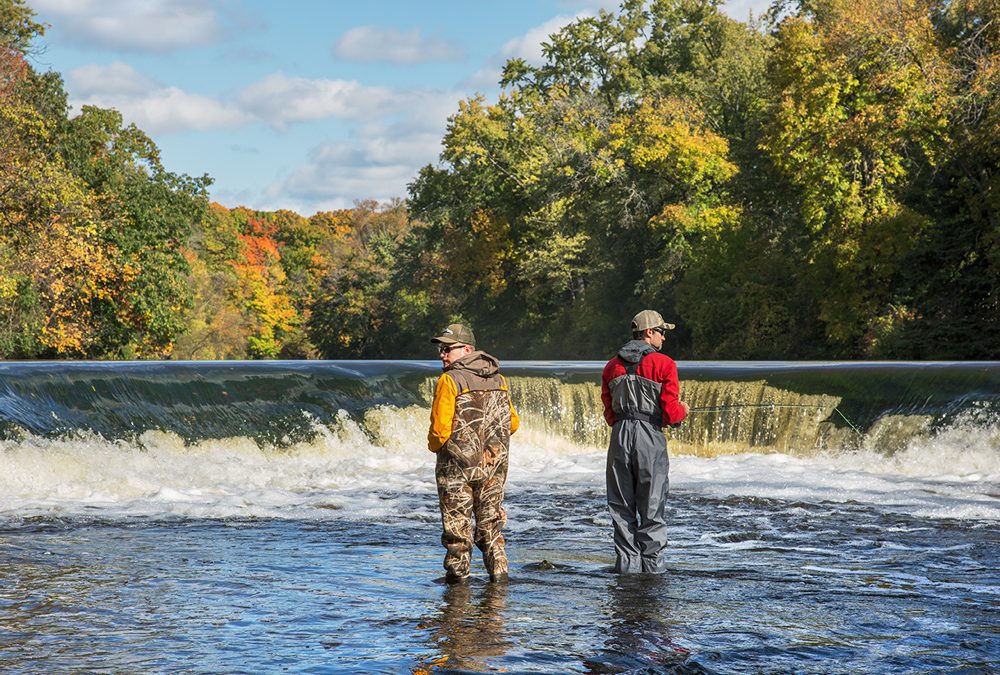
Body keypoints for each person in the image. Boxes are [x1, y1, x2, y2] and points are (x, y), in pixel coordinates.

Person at [428, 322, 520, 583]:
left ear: (467, 349)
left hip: (457, 470)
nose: (442, 355)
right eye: (441, 350)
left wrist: (438, 449)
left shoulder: (449, 380)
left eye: (448, 349)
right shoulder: (499, 379)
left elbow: (439, 432)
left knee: (458, 532)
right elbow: (513, 422)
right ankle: (499, 584)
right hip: (493, 468)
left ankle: (457, 592)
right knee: (491, 527)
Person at [600, 310, 689, 574]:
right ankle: (653, 574)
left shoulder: (611, 366)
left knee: (620, 507)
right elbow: (672, 413)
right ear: (649, 332)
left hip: (619, 436)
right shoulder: (664, 364)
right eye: (662, 331)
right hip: (649, 435)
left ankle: (627, 572)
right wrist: (683, 410)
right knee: (651, 508)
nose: (664, 337)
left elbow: (609, 412)